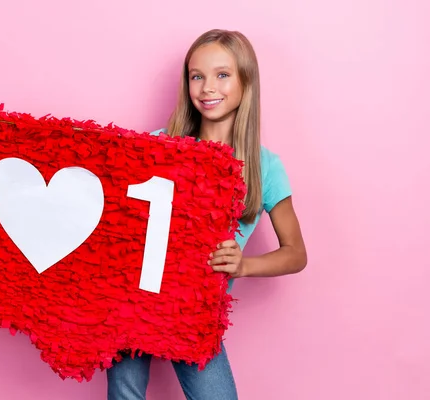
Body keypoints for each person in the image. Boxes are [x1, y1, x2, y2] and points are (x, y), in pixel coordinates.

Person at [106, 29, 308, 399]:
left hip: (194, 313)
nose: (206, 87)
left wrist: (244, 265)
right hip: (133, 301)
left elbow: (296, 253)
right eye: (196, 76)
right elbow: (96, 176)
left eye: (222, 75)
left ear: (246, 81)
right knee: (125, 391)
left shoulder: (265, 167)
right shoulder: (158, 146)